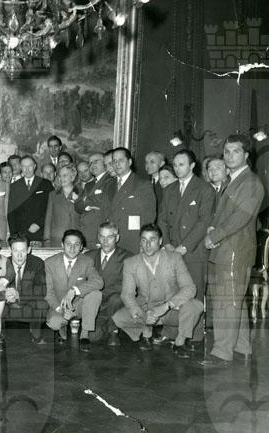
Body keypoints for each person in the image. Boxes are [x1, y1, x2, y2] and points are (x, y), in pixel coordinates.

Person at [201, 135, 265, 367]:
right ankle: (242, 347)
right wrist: (213, 228)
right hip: (228, 248)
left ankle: (222, 353)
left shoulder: (250, 182)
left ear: (246, 155)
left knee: (226, 300)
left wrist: (214, 236)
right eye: (226, 151)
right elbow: (226, 215)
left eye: (235, 151)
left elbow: (240, 217)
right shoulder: (234, 180)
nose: (229, 156)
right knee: (235, 299)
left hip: (234, 248)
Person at [113, 224, 202, 357]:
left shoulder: (174, 258)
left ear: (160, 241)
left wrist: (167, 306)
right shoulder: (130, 263)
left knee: (195, 306)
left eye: (152, 240)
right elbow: (127, 294)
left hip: (171, 310)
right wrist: (143, 315)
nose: (147, 245)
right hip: (146, 310)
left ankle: (180, 342)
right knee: (119, 318)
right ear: (140, 242)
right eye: (144, 240)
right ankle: (146, 331)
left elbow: (190, 288)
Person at [158, 149, 216, 313]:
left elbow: (204, 222)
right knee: (171, 293)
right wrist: (167, 243)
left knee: (194, 296)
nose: (177, 168)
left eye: (181, 164)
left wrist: (183, 247)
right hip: (171, 250)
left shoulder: (205, 189)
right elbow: (162, 219)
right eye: (175, 165)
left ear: (192, 166)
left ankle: (195, 329)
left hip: (194, 252)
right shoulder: (169, 189)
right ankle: (173, 327)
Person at [45, 230, 103, 352]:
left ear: (81, 247)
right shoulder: (50, 263)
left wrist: (74, 290)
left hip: (78, 305)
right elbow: (48, 293)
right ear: (62, 245)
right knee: (54, 323)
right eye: (68, 244)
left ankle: (84, 334)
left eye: (76, 244)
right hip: (59, 305)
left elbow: (99, 282)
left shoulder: (86, 261)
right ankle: (62, 329)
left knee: (95, 294)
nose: (72, 248)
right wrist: (60, 310)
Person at [108, 147, 156, 254]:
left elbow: (149, 217)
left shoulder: (142, 184)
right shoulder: (109, 185)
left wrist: (144, 243)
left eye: (121, 160)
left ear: (129, 162)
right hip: (111, 242)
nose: (117, 164)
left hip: (132, 241)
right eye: (114, 161)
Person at [89, 222, 130, 345]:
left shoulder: (128, 257)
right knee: (93, 337)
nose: (105, 241)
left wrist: (101, 293)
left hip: (116, 303)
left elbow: (125, 285)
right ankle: (104, 324)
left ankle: (114, 332)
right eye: (102, 236)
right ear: (98, 237)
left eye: (110, 237)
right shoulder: (89, 256)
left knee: (116, 299)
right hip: (96, 305)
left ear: (117, 238)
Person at [4, 234, 48, 344]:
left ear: (28, 250)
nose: (19, 256)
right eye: (15, 251)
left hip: (28, 301)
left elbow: (41, 288)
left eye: (23, 251)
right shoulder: (3, 263)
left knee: (42, 304)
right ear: (10, 250)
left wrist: (19, 295)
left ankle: (35, 333)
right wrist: (6, 294)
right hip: (7, 303)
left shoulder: (37, 263)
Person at [7, 155, 53, 242]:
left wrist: (39, 224)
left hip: (41, 231)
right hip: (21, 233)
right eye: (24, 166)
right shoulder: (14, 186)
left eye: (30, 166)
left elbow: (50, 208)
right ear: (21, 167)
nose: (27, 169)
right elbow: (11, 213)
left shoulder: (46, 184)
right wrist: (14, 235)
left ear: (35, 166)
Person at [75, 151, 113, 249]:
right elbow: (77, 205)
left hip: (98, 234)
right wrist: (87, 206)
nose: (92, 165)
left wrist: (85, 202)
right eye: (90, 163)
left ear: (104, 163)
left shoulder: (111, 181)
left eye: (96, 161)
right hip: (85, 234)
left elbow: (105, 207)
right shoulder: (89, 185)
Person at [43, 164, 80, 247]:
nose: (61, 178)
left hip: (76, 237)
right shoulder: (53, 195)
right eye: (60, 176)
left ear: (72, 177)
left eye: (65, 175)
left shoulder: (81, 193)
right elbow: (49, 218)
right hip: (57, 238)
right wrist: (46, 239)